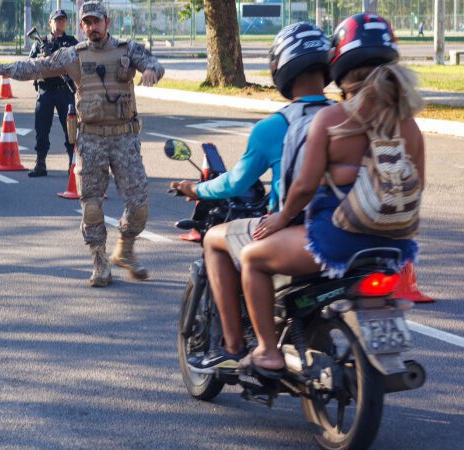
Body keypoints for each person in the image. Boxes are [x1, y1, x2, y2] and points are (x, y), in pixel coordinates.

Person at [238, 13, 425, 373]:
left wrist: (279, 218)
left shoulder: (331, 119)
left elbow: (304, 188)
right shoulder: (408, 123)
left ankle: (267, 351)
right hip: (394, 248)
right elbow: (417, 185)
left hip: (337, 243)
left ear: (337, 62)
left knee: (252, 259)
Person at [0, 1, 164, 287]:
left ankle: (126, 250)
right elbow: (34, 67)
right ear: (82, 27)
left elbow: (154, 63)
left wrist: (151, 72)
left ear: (107, 22)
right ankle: (99, 263)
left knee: (139, 204)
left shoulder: (127, 49)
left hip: (124, 138)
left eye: (96, 21)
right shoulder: (73, 55)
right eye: (87, 23)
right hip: (91, 139)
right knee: (92, 206)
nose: (92, 27)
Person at [171, 22, 333, 372]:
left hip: (298, 229)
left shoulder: (274, 126)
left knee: (215, 240)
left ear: (282, 68)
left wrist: (195, 188)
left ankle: (233, 345)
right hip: (349, 229)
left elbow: (234, 183)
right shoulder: (345, 116)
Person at [28, 9, 78, 177]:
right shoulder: (40, 42)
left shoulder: (71, 42)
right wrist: (44, 57)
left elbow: (78, 62)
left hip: (65, 91)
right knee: (42, 129)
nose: (60, 23)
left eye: (63, 20)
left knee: (71, 130)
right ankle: (40, 163)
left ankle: (73, 164)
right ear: (50, 23)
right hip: (46, 91)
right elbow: (30, 66)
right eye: (57, 20)